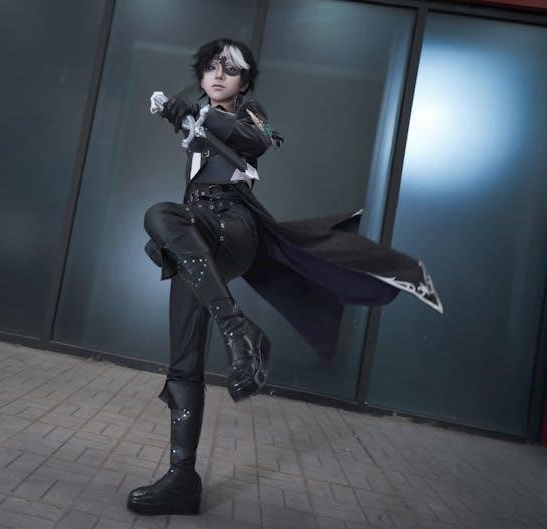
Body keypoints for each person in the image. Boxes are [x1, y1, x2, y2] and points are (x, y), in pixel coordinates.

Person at [127, 38, 442, 516]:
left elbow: (262, 140)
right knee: (183, 358)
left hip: (234, 225)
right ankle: (182, 479)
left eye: (230, 69)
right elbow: (195, 161)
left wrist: (198, 115)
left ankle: (236, 328)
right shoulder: (195, 116)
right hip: (198, 238)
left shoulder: (251, 114)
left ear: (244, 81)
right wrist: (181, 116)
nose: (218, 75)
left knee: (158, 213)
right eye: (211, 67)